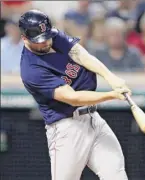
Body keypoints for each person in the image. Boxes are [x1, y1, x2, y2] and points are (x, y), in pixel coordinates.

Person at [19, 10, 130, 180]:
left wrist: (111, 77)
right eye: (40, 41)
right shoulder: (31, 70)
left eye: (47, 36)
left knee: (116, 174)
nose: (45, 42)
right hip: (67, 127)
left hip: (94, 119)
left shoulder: (54, 36)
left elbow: (81, 55)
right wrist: (112, 95)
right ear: (25, 38)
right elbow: (73, 97)